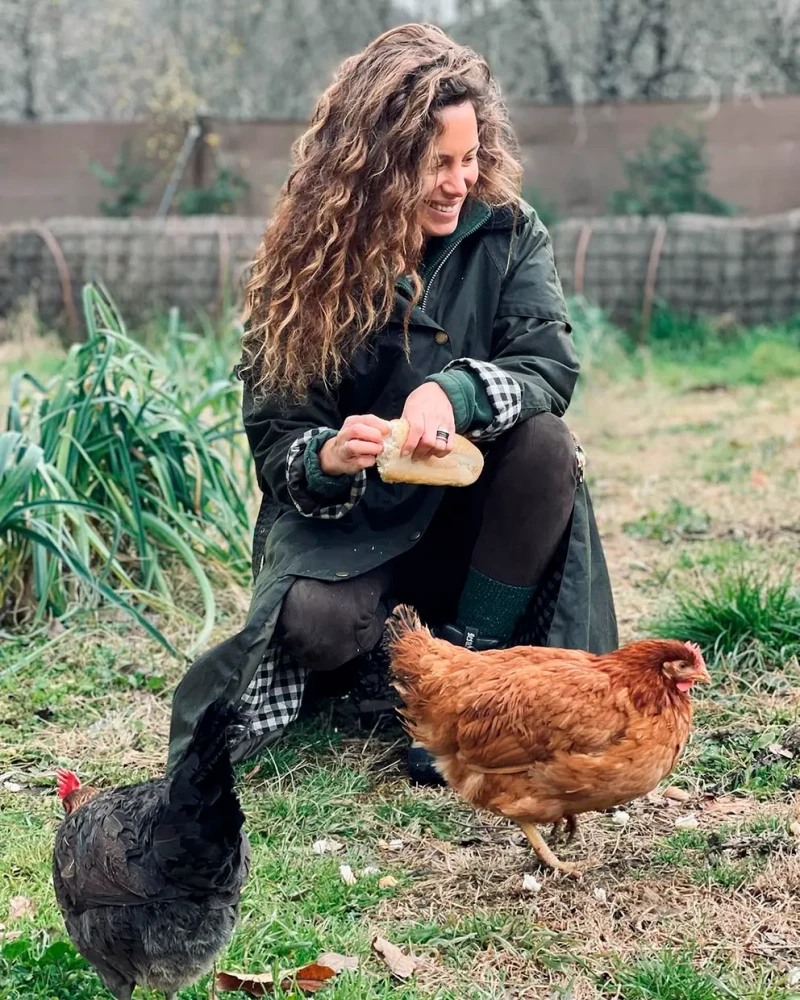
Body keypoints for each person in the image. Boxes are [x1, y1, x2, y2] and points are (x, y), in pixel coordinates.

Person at [167, 23, 617, 782]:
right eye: (434, 163)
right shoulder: (304, 264)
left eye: (470, 157)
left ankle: (469, 675)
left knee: (546, 444)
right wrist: (331, 455)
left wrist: (457, 391)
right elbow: (277, 441)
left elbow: (546, 364)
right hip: (357, 529)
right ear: (376, 166)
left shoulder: (510, 235)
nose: (458, 180)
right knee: (315, 625)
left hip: (478, 529)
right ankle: (386, 669)